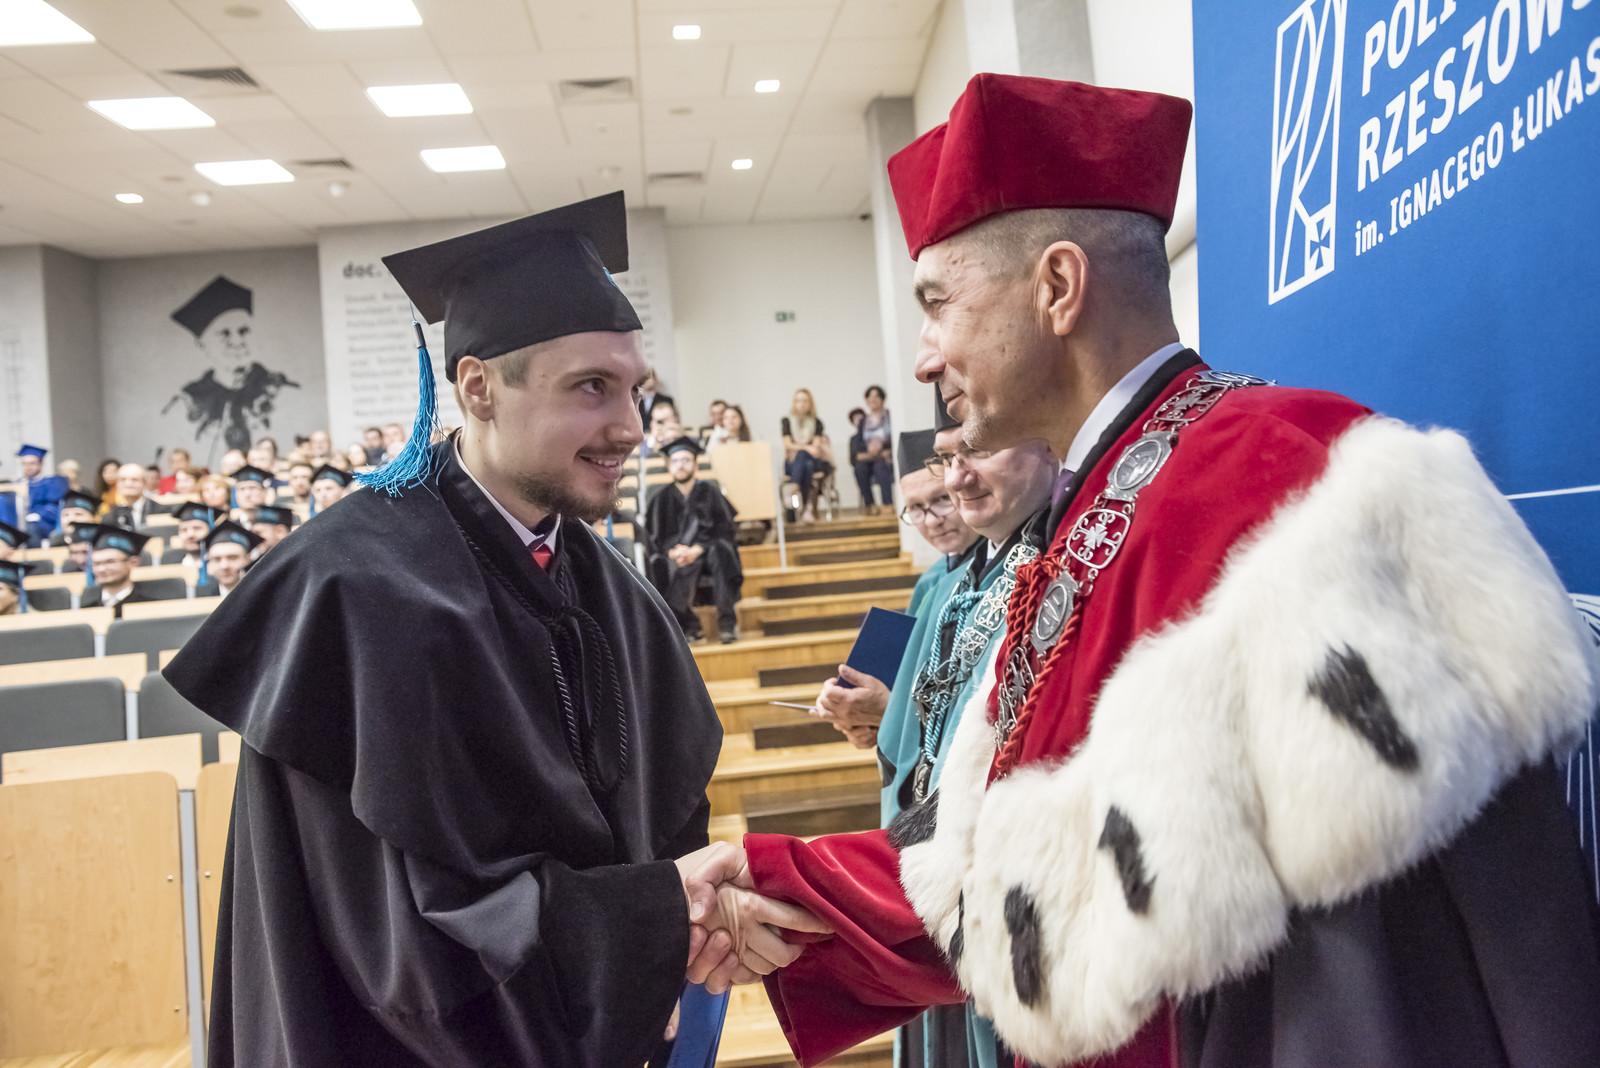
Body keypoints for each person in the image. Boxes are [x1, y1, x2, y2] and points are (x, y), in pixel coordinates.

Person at [736, 74, 1600, 1068]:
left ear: (1058, 288)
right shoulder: (1088, 510)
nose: (924, 358)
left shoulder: (1294, 478)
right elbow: (1029, 870)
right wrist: (766, 888)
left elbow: (1381, 987)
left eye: (939, 305)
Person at [163, 192, 826, 1068]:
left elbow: (665, 829)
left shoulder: (613, 594)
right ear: (477, 387)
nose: (630, 427)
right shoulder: (351, 594)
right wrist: (659, 918)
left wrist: (683, 929)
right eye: (590, 387)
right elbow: (400, 942)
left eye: (636, 389)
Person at [880, 395, 1057, 1067]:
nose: (955, 482)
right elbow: (906, 734)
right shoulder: (950, 586)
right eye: (947, 460)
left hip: (1000, 880)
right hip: (931, 862)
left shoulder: (1052, 566)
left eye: (976, 452)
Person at [814, 428, 979, 755]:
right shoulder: (931, 582)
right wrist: (866, 722)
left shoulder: (997, 571)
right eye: (915, 507)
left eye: (941, 500)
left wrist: (889, 713)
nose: (931, 521)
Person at [644, 436, 743, 645]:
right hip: (676, 556)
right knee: (659, 563)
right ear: (669, 466)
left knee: (721, 551)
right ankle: (687, 626)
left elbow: (725, 530)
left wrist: (698, 549)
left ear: (695, 464)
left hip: (707, 554)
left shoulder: (710, 492)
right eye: (676, 461)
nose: (681, 465)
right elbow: (653, 538)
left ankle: (727, 623)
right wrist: (672, 552)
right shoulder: (660, 499)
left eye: (686, 460)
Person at [77, 523, 155, 617]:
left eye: (110, 562)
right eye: (96, 564)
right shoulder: (86, 609)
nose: (101, 569)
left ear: (133, 563)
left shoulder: (149, 608)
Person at [781, 388, 831, 522]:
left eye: (805, 401)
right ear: (794, 403)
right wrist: (806, 447)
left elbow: (815, 448)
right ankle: (807, 508)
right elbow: (787, 444)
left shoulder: (817, 422)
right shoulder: (787, 421)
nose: (801, 404)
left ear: (810, 403)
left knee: (804, 457)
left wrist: (800, 448)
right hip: (793, 463)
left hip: (812, 461)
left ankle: (793, 488)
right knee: (806, 464)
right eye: (798, 401)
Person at [851, 386, 894, 514]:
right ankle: (870, 504)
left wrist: (883, 446)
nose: (873, 399)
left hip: (885, 454)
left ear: (882, 399)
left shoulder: (890, 416)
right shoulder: (864, 420)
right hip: (869, 456)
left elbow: (894, 435)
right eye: (870, 396)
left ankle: (887, 503)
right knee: (860, 469)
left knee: (881, 466)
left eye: (876, 396)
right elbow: (859, 440)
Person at [193, 520, 262, 599]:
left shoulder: (261, 594)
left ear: (248, 559)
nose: (224, 566)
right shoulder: (200, 597)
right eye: (217, 559)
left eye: (232, 558)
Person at [17, 444, 68, 546]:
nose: (28, 467)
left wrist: (38, 515)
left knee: (30, 527)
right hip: (21, 523)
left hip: (44, 524)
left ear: (41, 463)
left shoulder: (51, 483)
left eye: (32, 463)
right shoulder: (18, 485)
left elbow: (55, 508)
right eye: (25, 464)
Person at [106, 462, 170, 529]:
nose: (128, 484)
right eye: (123, 480)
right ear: (117, 484)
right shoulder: (110, 517)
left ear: (144, 483)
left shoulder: (161, 511)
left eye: (134, 480)